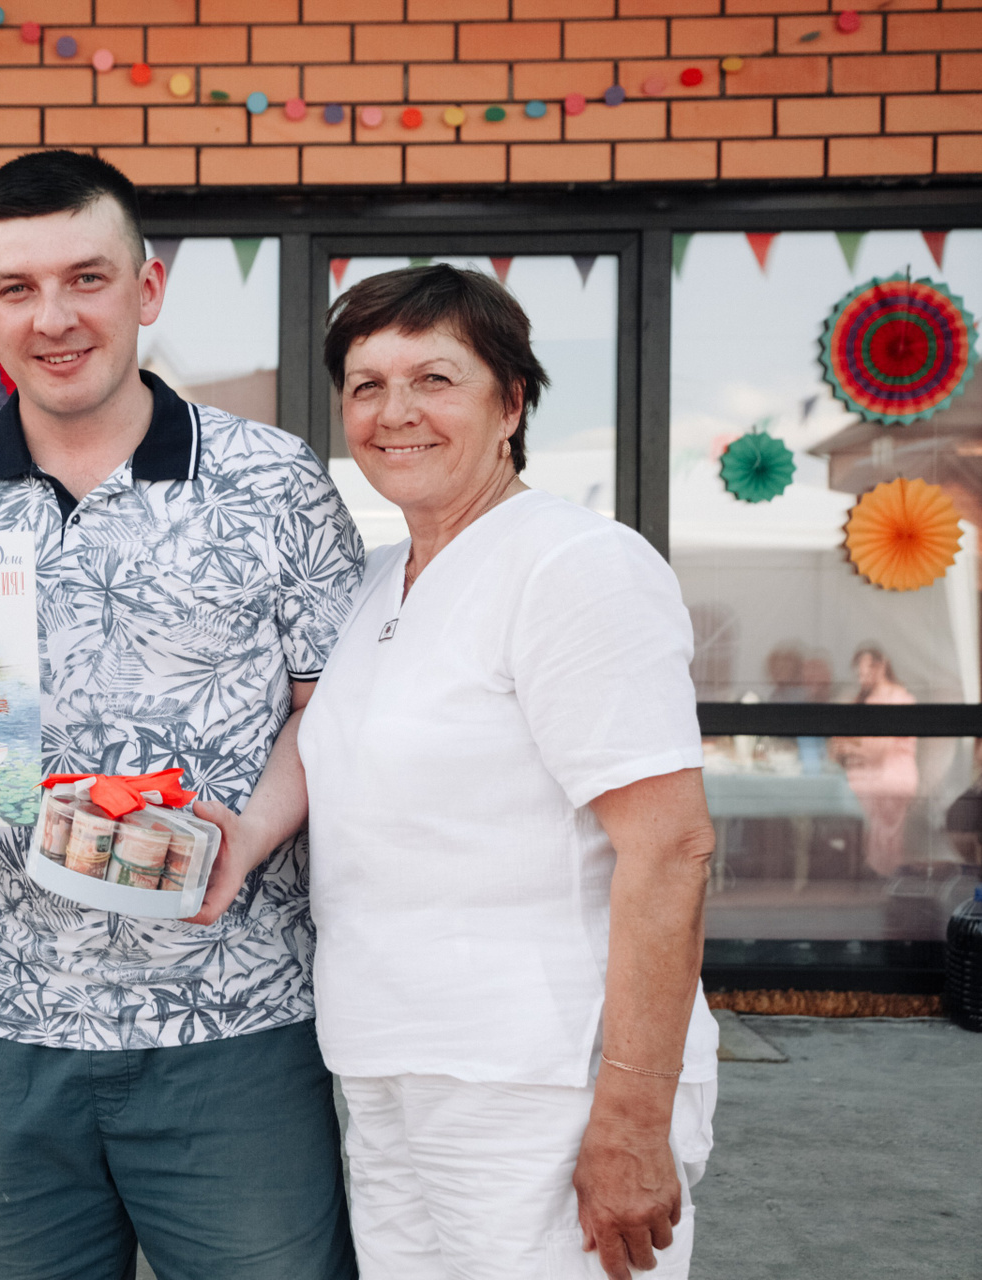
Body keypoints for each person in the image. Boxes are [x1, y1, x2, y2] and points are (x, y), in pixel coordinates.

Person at [0, 150, 364, 1280]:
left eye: (87, 278)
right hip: (11, 1031)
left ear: (147, 289)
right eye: (17, 288)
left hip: (238, 1023)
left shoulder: (276, 481)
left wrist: (249, 834)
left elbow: (335, 712)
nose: (55, 317)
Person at [193, 264, 721, 1280]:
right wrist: (245, 833)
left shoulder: (573, 566)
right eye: (366, 385)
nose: (395, 413)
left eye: (434, 379)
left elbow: (672, 849)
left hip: (540, 1079)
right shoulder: (377, 581)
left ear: (511, 401)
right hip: (388, 1060)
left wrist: (632, 1115)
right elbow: (329, 736)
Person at [831, 643, 919, 876]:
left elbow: (879, 748)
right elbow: (841, 741)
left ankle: (881, 873)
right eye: (858, 674)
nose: (861, 678)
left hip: (889, 775)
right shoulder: (866, 699)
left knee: (883, 832)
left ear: (880, 667)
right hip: (866, 774)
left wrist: (850, 746)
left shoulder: (897, 699)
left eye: (865, 671)